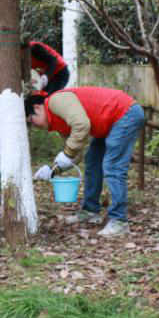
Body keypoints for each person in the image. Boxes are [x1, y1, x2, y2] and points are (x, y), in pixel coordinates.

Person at [26, 86, 145, 237]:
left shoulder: (54, 102)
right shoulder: (57, 122)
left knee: (112, 166)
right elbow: (76, 152)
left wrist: (67, 152)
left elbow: (82, 125)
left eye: (31, 121)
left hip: (125, 113)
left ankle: (119, 221)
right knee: (93, 160)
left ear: (37, 107)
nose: (34, 126)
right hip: (109, 122)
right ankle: (90, 211)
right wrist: (53, 170)